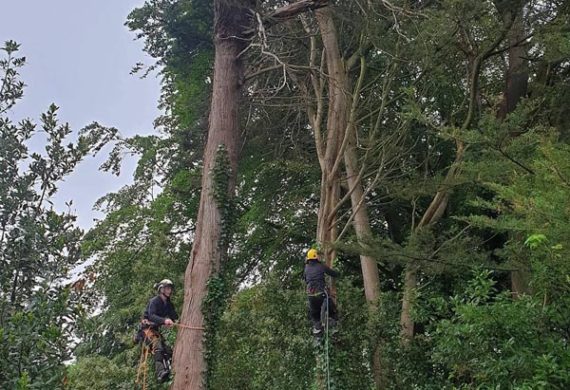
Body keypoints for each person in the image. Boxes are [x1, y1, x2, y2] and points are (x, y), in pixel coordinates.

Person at [141, 278, 178, 383]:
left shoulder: (169, 304)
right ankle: (160, 372)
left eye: (170, 288)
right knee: (158, 346)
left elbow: (174, 316)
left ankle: (170, 370)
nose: (169, 290)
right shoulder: (154, 301)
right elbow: (151, 316)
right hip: (146, 330)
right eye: (167, 288)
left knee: (168, 351)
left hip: (156, 330)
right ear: (161, 289)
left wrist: (174, 321)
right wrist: (164, 320)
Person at [303, 249, 339, 337]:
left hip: (311, 296)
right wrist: (338, 274)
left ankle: (317, 331)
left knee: (315, 315)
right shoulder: (321, 266)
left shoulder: (306, 268)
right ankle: (333, 327)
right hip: (321, 294)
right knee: (332, 309)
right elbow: (333, 273)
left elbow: (305, 279)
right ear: (315, 256)